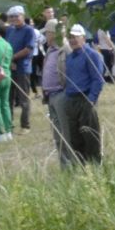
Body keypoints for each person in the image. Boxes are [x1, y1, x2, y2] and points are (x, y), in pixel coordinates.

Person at [61, 24, 106, 164]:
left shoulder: (92, 54)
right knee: (75, 137)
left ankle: (95, 165)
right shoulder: (70, 57)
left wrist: (91, 99)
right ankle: (82, 165)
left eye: (75, 37)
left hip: (85, 97)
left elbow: (98, 79)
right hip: (71, 98)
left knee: (90, 135)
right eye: (70, 37)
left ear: (83, 38)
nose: (72, 40)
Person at [39, 30, 73, 168]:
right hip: (50, 95)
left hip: (61, 93)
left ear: (54, 33)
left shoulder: (66, 49)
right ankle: (65, 166)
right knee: (57, 133)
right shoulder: (49, 50)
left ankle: (73, 163)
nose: (45, 36)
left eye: (47, 33)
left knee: (66, 132)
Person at [4, 5, 38, 132]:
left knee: (23, 98)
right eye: (11, 16)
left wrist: (12, 58)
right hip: (9, 68)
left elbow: (28, 48)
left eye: (16, 16)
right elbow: (5, 46)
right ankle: (8, 125)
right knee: (8, 98)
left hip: (22, 68)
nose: (13, 19)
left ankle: (25, 126)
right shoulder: (9, 30)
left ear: (23, 16)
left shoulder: (29, 30)